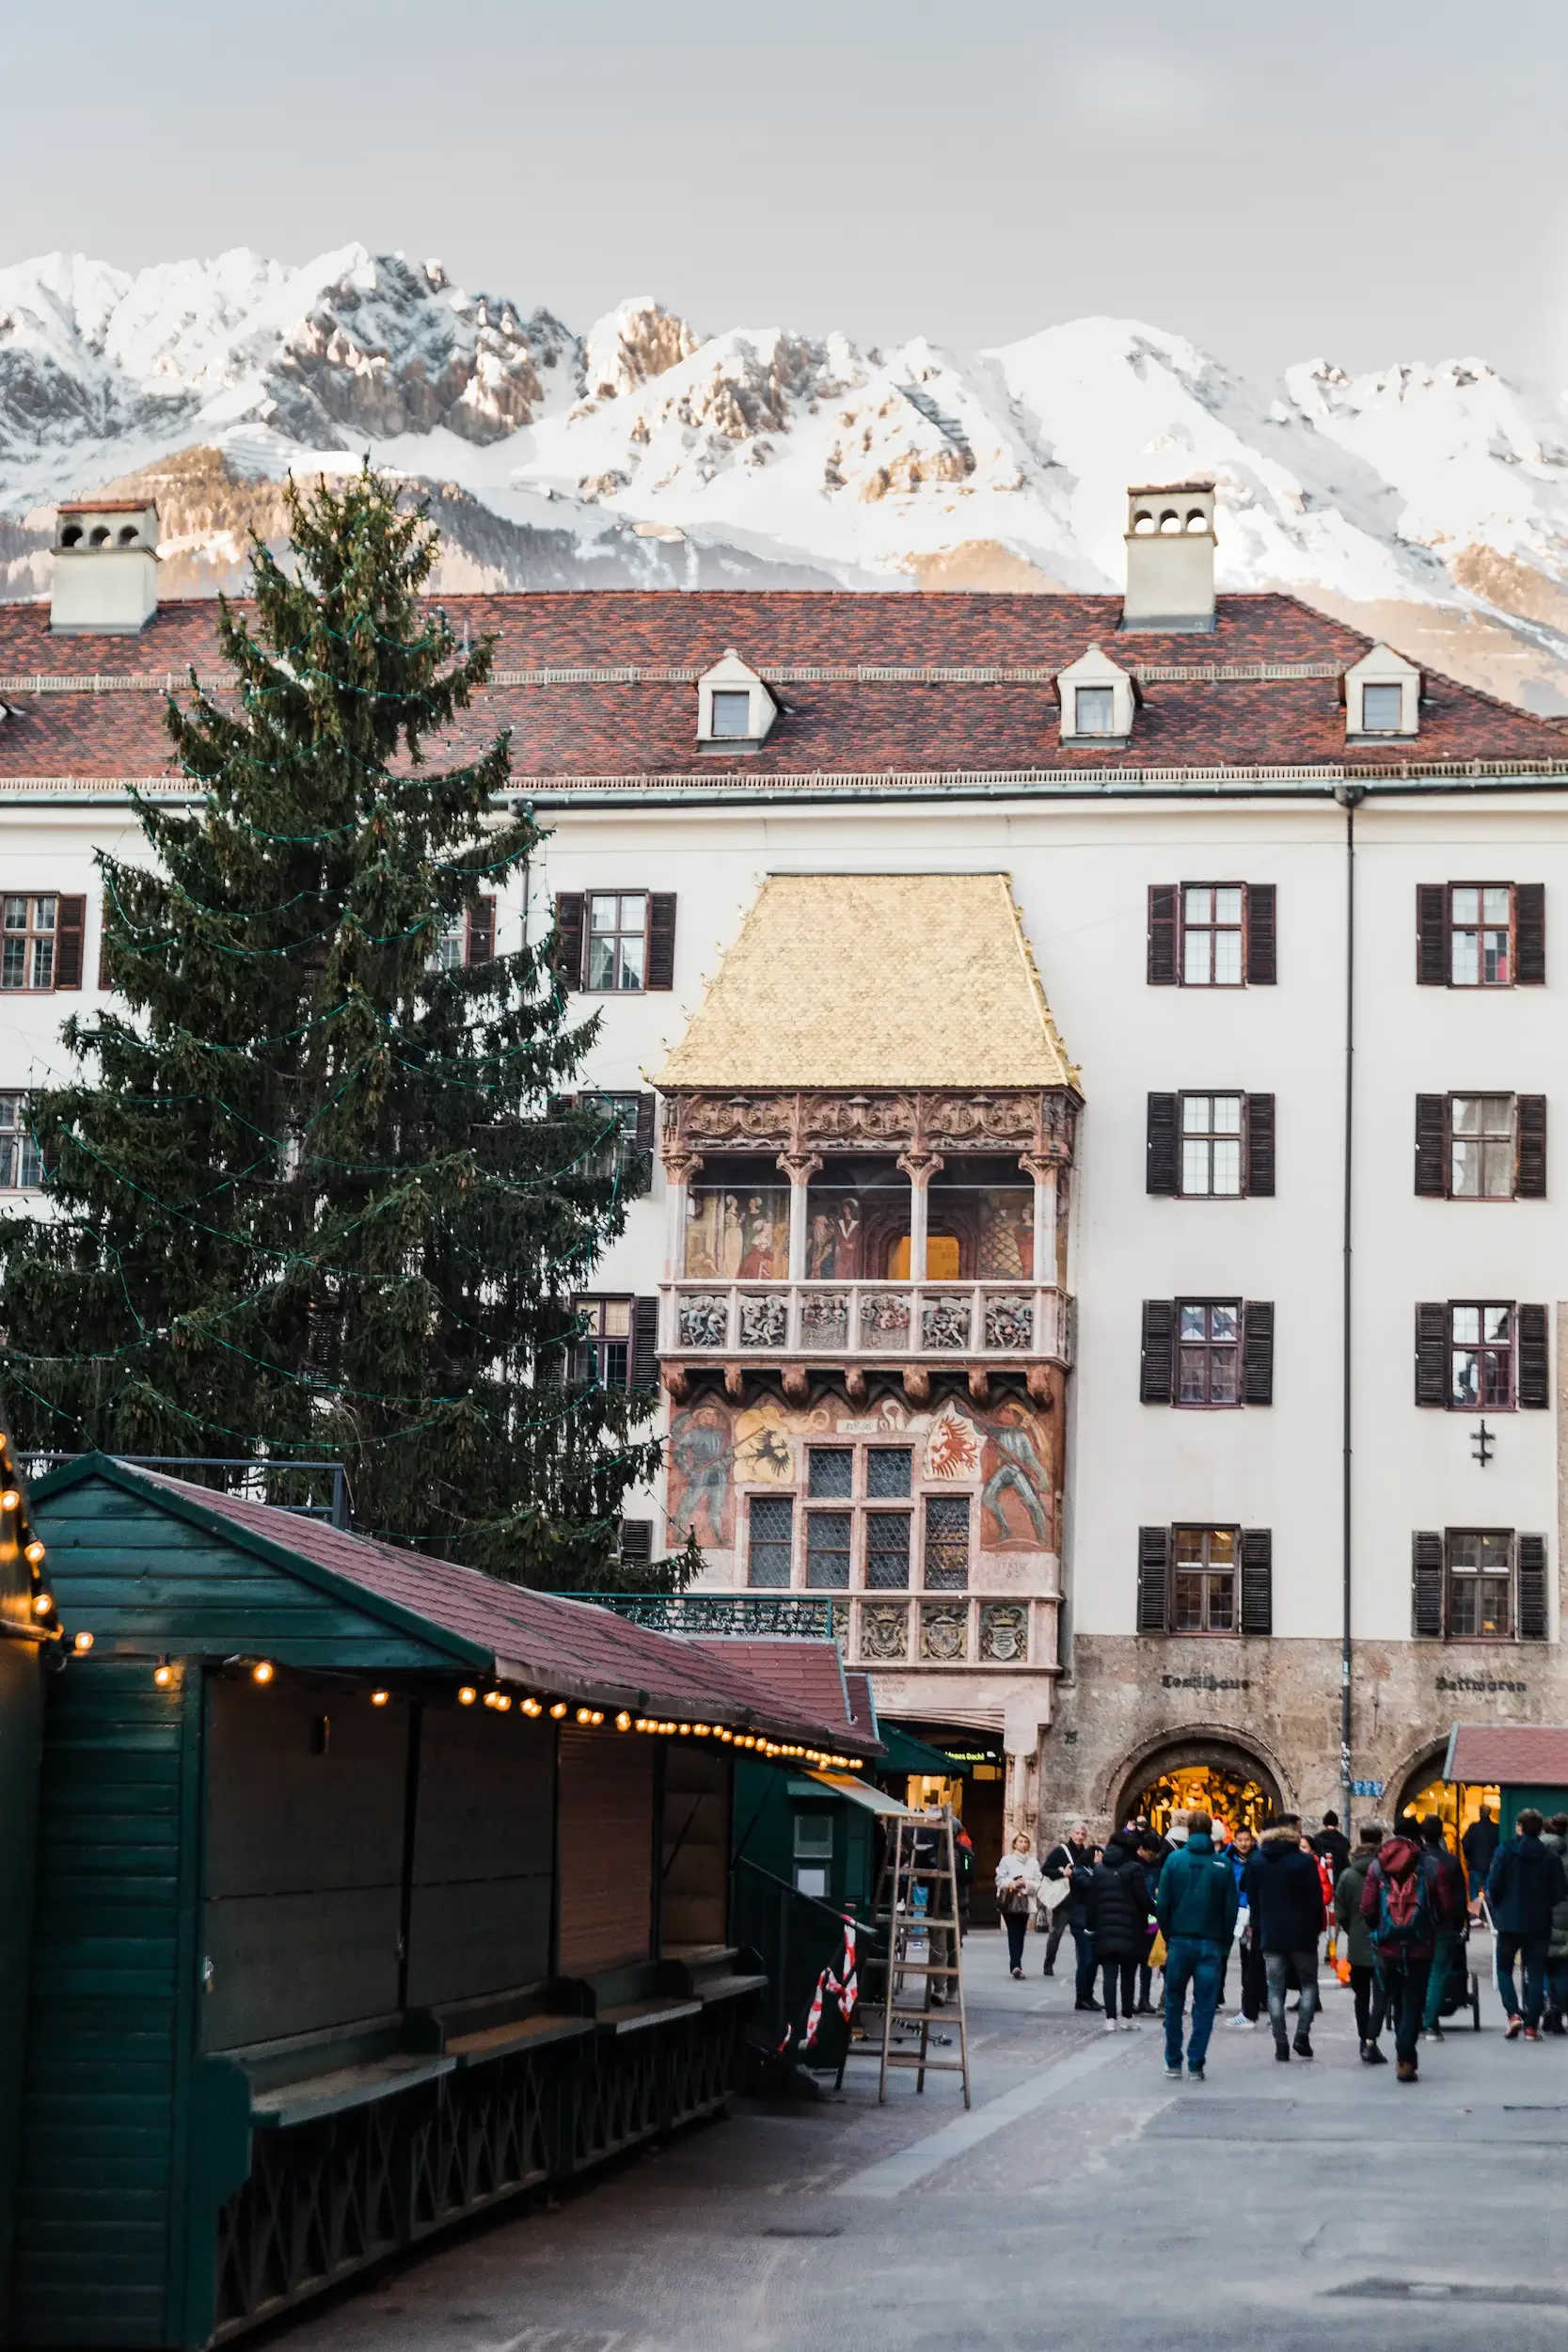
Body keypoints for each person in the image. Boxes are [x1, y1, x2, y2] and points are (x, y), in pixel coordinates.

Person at [1362, 1821, 1462, 2081]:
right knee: (1413, 2000)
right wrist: (1429, 1925)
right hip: (1420, 1945)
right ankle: (1405, 2056)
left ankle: (1403, 2049)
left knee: (1396, 1998)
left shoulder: (1377, 1865)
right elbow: (1445, 1906)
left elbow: (1367, 1907)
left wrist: (1379, 1929)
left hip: (1387, 1945)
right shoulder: (1431, 1866)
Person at [1155, 1808, 1238, 2079]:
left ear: (1188, 1830)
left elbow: (1163, 1902)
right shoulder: (1222, 1865)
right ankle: (1196, 2062)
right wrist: (1224, 1942)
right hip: (1210, 1944)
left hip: (1179, 1940)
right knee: (1203, 2006)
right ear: (1211, 1832)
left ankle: (1172, 2060)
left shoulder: (1174, 1861)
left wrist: (1168, 1934)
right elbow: (1230, 1909)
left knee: (1174, 2003)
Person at [1245, 1815, 1326, 2061]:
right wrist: (1314, 1928)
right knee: (1309, 1984)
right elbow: (1316, 1899)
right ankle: (1302, 2035)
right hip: (1302, 1933)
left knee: (1275, 1989)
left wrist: (1260, 1921)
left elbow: (1251, 1897)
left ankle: (1280, 2042)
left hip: (1271, 1933)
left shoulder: (1257, 1861)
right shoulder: (1304, 1861)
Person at [1486, 1806, 1568, 2040]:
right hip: (1539, 1922)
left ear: (1519, 1827)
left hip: (1509, 1920)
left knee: (1504, 1968)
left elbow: (1494, 1884)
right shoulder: (1549, 1857)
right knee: (1535, 1973)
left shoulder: (1505, 1851)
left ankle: (1513, 2014)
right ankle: (1532, 2025)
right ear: (1541, 1829)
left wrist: (1501, 1905)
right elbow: (1558, 1892)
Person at [1335, 1822, 1388, 2064]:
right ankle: (1371, 2041)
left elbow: (1341, 1913)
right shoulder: (1386, 1872)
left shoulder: (1347, 1875)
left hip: (1357, 1945)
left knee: (1361, 1996)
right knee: (1381, 1995)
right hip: (1384, 1942)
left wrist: (1353, 1931)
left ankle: (1361, 2039)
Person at [1085, 1837, 1150, 2031]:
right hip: (1131, 1930)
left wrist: (1091, 1926)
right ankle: (1127, 2017)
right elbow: (1143, 1899)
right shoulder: (1134, 1869)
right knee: (1129, 1976)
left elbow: (1092, 1901)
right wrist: (1157, 1912)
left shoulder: (1099, 1870)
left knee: (1109, 1975)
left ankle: (1110, 2019)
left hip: (1105, 1930)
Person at [1418, 1817, 1468, 2040]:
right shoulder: (1451, 1861)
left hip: (1416, 1925)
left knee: (1417, 1971)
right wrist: (1458, 1926)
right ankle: (1430, 2022)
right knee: (1438, 1973)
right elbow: (1459, 1899)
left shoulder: (1414, 1860)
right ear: (1441, 1835)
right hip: (1444, 1925)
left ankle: (1413, 2017)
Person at [1041, 1823, 1100, 2004]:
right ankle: (1049, 1961)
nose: (1080, 1836)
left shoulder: (1088, 1853)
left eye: (1083, 1834)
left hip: (1080, 1902)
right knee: (1057, 1932)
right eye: (1077, 1833)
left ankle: (1080, 1972)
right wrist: (1062, 1872)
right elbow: (1045, 1869)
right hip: (1065, 1900)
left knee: (1081, 1942)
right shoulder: (1062, 1851)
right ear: (1071, 1833)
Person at [1223, 1826, 1264, 2028]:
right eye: (1240, 1840)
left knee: (1248, 1958)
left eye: (1247, 1839)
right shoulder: (1225, 1859)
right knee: (1222, 1955)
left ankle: (1251, 2002)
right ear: (1234, 1841)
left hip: (1250, 1914)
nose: (1244, 1843)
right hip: (1231, 1911)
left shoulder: (1258, 1860)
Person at [996, 1833, 1042, 1979]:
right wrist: (1013, 1883)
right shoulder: (1007, 1860)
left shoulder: (1033, 1863)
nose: (1023, 1844)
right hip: (1010, 1900)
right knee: (1013, 1931)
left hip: (1025, 1901)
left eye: (1025, 1842)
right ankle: (1016, 1965)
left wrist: (1026, 1884)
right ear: (1014, 1844)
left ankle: (1017, 1963)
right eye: (1020, 1841)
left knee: (1021, 1933)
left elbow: (1038, 1882)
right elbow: (999, 1879)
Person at [1133, 1832, 1168, 2013]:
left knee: (1148, 1960)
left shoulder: (1156, 1864)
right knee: (1133, 1961)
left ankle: (1144, 1999)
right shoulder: (1133, 1864)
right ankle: (1132, 1999)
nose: (1152, 1856)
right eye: (1150, 1853)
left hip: (1152, 1919)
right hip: (1136, 1917)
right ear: (1141, 1849)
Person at [1542, 1815, 1568, 2034]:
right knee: (1561, 1967)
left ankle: (1544, 2008)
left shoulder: (1537, 1853)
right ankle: (1558, 2012)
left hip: (1539, 1917)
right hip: (1565, 1918)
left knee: (1539, 1965)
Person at [1463, 1805, 1501, 1901]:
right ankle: (1488, 1913)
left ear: (1479, 1813)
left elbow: (1465, 1844)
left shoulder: (1473, 1827)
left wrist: (1468, 1858)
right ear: (1490, 1813)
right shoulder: (1496, 1828)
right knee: (1489, 1893)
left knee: (1474, 1893)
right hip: (1491, 1864)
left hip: (1475, 1864)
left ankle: (1475, 1914)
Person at [1311, 1810, 1352, 1882]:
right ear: (1337, 1824)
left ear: (1324, 1824)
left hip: (1322, 1875)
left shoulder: (1317, 1838)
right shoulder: (1343, 1840)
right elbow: (1345, 1860)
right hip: (1339, 1875)